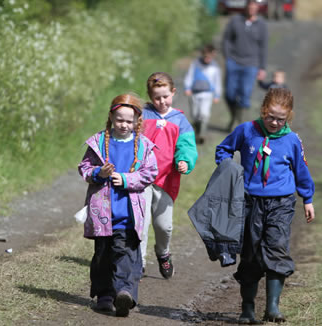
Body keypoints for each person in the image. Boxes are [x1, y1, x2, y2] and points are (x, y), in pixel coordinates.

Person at [215, 88, 315, 324]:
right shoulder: (247, 130)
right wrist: (228, 169)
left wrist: (307, 199)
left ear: (288, 116)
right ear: (263, 110)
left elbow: (301, 170)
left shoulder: (292, 140)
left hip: (281, 202)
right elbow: (223, 149)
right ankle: (247, 308)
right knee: (250, 254)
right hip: (250, 201)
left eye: (281, 119)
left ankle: (272, 307)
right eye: (270, 116)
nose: (274, 122)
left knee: (276, 248)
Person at [78, 93, 158, 317]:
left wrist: (125, 179)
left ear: (137, 122)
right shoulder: (98, 143)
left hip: (128, 214)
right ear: (112, 117)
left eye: (129, 121)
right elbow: (84, 168)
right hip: (102, 214)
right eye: (120, 119)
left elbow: (150, 173)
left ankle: (124, 293)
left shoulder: (143, 146)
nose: (124, 125)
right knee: (103, 255)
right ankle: (104, 296)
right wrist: (98, 173)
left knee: (125, 254)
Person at [140, 72, 198, 279]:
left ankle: (163, 253)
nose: (161, 101)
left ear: (173, 92)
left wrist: (184, 160)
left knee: (164, 226)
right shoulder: (143, 116)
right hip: (141, 180)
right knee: (142, 222)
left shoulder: (180, 120)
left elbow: (187, 146)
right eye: (156, 97)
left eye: (165, 96)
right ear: (149, 96)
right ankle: (139, 262)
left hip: (166, 180)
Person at [222, 0, 268, 131]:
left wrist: (262, 67)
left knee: (245, 95)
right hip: (234, 62)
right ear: (246, 6)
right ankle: (233, 117)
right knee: (229, 94)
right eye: (250, 5)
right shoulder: (235, 21)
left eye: (254, 6)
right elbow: (226, 39)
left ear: (257, 7)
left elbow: (263, 47)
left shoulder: (262, 25)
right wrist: (228, 56)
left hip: (251, 64)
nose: (252, 8)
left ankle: (239, 125)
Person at [184, 44, 222, 144]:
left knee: (204, 114)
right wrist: (187, 87)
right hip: (195, 93)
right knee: (195, 115)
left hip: (207, 94)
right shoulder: (195, 64)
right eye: (206, 57)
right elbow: (189, 76)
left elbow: (217, 82)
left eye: (210, 57)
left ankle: (202, 133)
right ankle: (197, 131)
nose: (207, 59)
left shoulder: (215, 67)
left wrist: (217, 94)